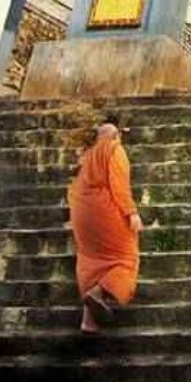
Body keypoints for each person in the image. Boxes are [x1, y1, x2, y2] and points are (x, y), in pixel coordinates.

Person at [67, 122, 142, 333]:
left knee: (91, 261)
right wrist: (132, 212)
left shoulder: (87, 156)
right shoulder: (114, 149)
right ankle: (99, 292)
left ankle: (88, 321)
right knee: (126, 258)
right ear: (115, 136)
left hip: (81, 212)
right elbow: (119, 185)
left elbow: (73, 188)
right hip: (103, 210)